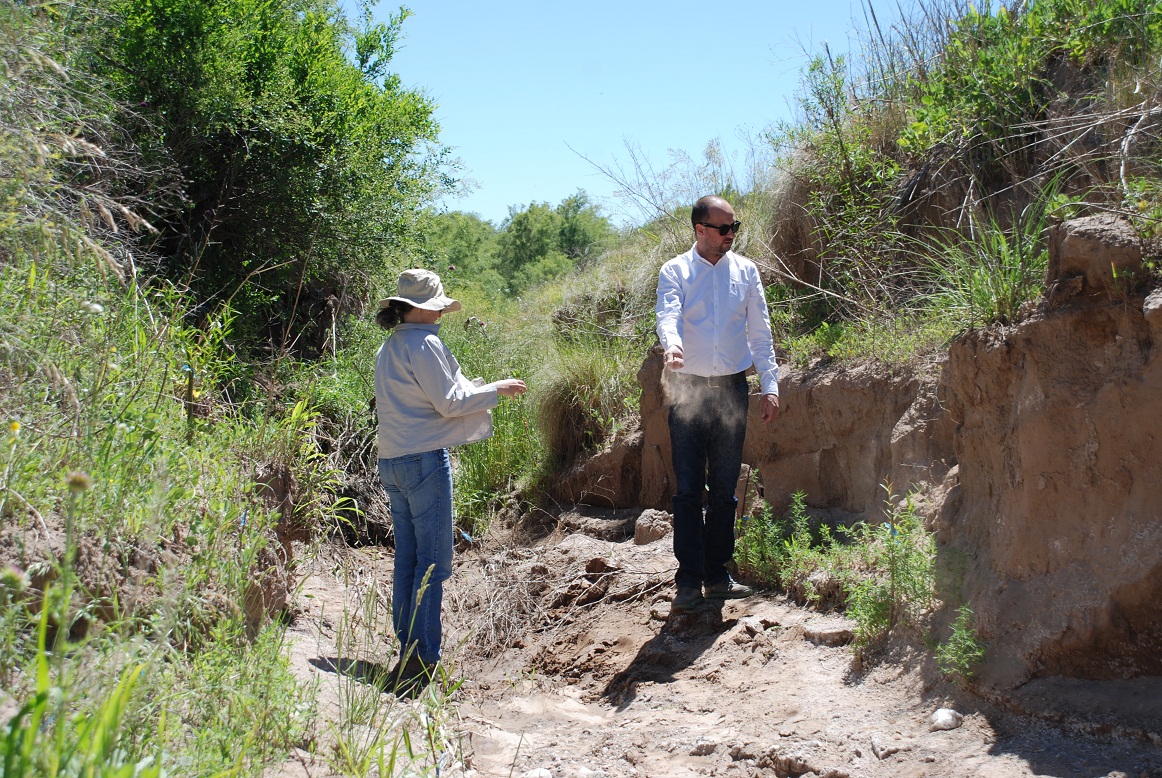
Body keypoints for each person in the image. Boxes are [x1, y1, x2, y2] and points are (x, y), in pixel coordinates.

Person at [374, 268, 527, 695]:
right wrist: (497, 388)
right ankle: (424, 660)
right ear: (424, 308)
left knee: (408, 558)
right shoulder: (425, 343)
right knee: (435, 562)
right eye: (437, 305)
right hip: (423, 459)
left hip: (393, 458)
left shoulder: (391, 346)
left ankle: (408, 650)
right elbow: (451, 402)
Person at [655, 195, 780, 612]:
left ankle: (718, 573)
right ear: (700, 230)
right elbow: (667, 315)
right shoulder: (676, 270)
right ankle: (688, 579)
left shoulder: (746, 271)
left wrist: (771, 383)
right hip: (687, 386)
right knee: (689, 488)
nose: (730, 235)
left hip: (730, 387)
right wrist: (672, 347)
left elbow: (760, 331)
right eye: (723, 228)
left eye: (734, 228)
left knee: (725, 487)